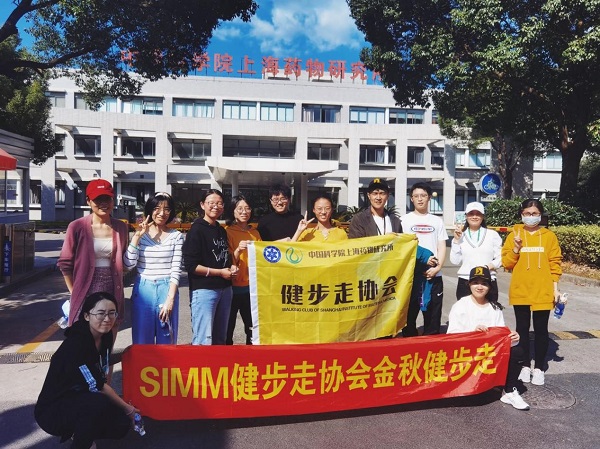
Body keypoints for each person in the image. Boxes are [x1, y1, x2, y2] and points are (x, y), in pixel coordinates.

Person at [35, 292, 138, 448]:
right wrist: (128, 408)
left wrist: (126, 355)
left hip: (77, 398)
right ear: (87, 316)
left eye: (112, 313)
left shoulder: (105, 336)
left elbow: (99, 367)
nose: (107, 319)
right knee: (98, 402)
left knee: (120, 423)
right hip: (52, 411)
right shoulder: (77, 344)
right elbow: (98, 386)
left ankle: (80, 431)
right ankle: (82, 442)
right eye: (101, 313)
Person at [447, 266, 530, 410]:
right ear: (469, 284)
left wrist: (513, 337)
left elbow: (501, 337)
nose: (479, 287)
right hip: (467, 354)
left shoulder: (494, 307)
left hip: (489, 354)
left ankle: (509, 391)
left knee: (518, 351)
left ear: (490, 287)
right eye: (475, 282)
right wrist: (473, 332)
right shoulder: (460, 305)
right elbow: (451, 336)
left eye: (484, 283)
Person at [502, 198, 562, 386]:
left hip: (543, 290)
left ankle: (539, 368)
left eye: (534, 213)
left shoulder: (549, 236)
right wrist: (516, 248)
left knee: (541, 330)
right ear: (521, 214)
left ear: (540, 215)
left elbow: (555, 263)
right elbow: (507, 263)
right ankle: (525, 365)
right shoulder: (514, 235)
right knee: (522, 329)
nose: (530, 217)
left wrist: (555, 289)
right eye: (527, 213)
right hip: (520, 289)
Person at [57, 179, 129, 333]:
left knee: (110, 327)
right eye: (98, 199)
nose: (103, 203)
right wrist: (74, 291)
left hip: (112, 286)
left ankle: (106, 350)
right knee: (85, 331)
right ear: (88, 201)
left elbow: (125, 261)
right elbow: (65, 263)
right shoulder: (76, 226)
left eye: (107, 198)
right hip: (86, 286)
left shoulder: (121, 227)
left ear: (113, 200)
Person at [124, 192, 184, 344]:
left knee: (167, 340)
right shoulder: (141, 235)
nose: (162, 213)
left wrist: (170, 299)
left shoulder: (176, 236)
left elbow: (176, 269)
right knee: (142, 342)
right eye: (157, 208)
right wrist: (137, 237)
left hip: (167, 288)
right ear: (150, 210)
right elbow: (128, 264)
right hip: (144, 289)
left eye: (167, 209)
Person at [183, 189, 238, 345]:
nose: (216, 206)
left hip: (225, 289)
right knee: (204, 339)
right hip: (204, 290)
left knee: (220, 338)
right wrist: (219, 273)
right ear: (203, 205)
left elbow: (223, 258)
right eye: (211, 203)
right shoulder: (196, 230)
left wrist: (231, 267)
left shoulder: (220, 230)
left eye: (219, 203)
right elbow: (191, 265)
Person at [401, 182, 448, 335]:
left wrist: (437, 268)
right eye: (416, 196)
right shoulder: (404, 220)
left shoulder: (437, 221)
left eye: (423, 196)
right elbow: (402, 247)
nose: (420, 199)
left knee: (433, 319)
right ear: (411, 199)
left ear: (429, 198)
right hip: (411, 276)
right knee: (409, 319)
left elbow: (442, 246)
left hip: (433, 276)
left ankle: (431, 346)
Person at [225, 195, 262, 345]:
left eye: (247, 208)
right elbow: (227, 260)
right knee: (228, 327)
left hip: (251, 288)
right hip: (231, 288)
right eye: (239, 208)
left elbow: (261, 257)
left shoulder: (255, 233)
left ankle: (250, 356)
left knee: (252, 328)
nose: (244, 212)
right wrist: (238, 250)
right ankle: (226, 356)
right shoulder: (227, 231)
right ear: (233, 211)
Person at [450, 201, 502, 301]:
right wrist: (456, 240)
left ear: (483, 216)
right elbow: (455, 261)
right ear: (466, 216)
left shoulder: (492, 235)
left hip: (488, 280)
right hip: (466, 279)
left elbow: (501, 256)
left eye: (478, 214)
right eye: (471, 214)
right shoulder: (460, 235)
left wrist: (489, 266)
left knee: (489, 309)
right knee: (465, 310)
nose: (474, 217)